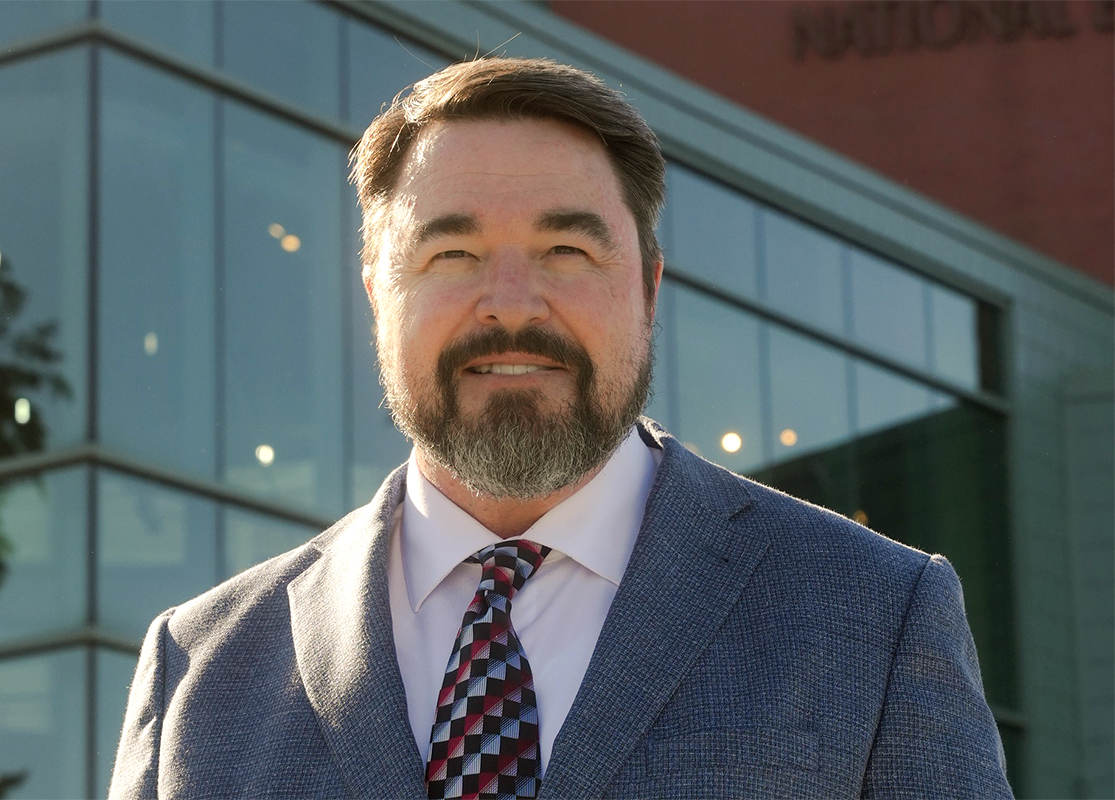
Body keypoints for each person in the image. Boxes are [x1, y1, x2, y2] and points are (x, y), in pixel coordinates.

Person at [109, 57, 1013, 799]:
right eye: (450, 254)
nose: (509, 305)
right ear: (379, 294)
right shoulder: (196, 672)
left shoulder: (873, 617)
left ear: (648, 290)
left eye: (566, 252)